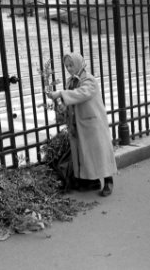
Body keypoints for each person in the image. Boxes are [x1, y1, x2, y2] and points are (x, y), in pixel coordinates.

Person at [48, 52, 117, 196]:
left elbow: (82, 93)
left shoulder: (89, 80)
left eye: (71, 65)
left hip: (93, 123)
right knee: (85, 154)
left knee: (99, 152)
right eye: (66, 66)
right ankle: (92, 181)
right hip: (78, 123)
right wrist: (63, 107)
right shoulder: (71, 81)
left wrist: (61, 93)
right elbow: (72, 100)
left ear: (79, 63)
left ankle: (108, 181)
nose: (68, 68)